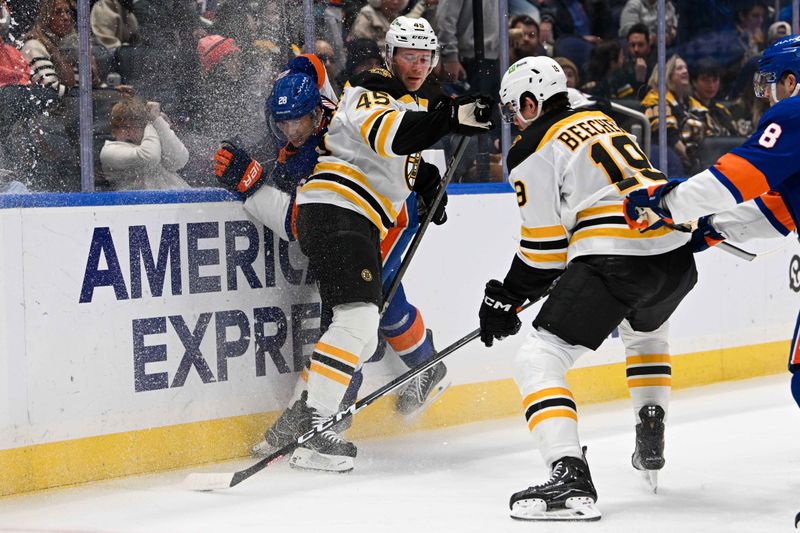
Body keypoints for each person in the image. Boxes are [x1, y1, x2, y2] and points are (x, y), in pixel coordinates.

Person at [214, 16, 492, 472]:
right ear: (389, 56)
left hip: (344, 216)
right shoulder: (371, 87)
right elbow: (394, 133)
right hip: (341, 213)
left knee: (357, 321)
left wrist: (426, 181)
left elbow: (395, 153)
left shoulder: (403, 103)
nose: (417, 66)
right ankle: (317, 425)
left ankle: (307, 421)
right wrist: (452, 116)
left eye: (425, 58)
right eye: (408, 56)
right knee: (359, 318)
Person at [480, 55, 697, 521]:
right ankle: (650, 421)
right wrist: (516, 292)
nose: (514, 121)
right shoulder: (601, 119)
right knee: (646, 334)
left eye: (515, 110)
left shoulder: (534, 143)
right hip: (675, 255)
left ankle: (569, 475)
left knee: (539, 358)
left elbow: (543, 251)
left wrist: (503, 296)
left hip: (615, 256)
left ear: (532, 102)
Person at [622, 35, 800, 407]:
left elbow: (739, 177)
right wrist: (715, 226)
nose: (768, 95)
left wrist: (665, 203)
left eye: (771, 84)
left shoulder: (794, 112)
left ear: (790, 80)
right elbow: (782, 208)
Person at [100, 97, 190, 190]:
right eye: (123, 127)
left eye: (135, 126)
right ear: (113, 131)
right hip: (143, 203)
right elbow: (150, 157)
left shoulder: (152, 141)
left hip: (180, 199)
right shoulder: (109, 151)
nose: (129, 132)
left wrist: (159, 122)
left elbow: (180, 160)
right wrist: (151, 121)